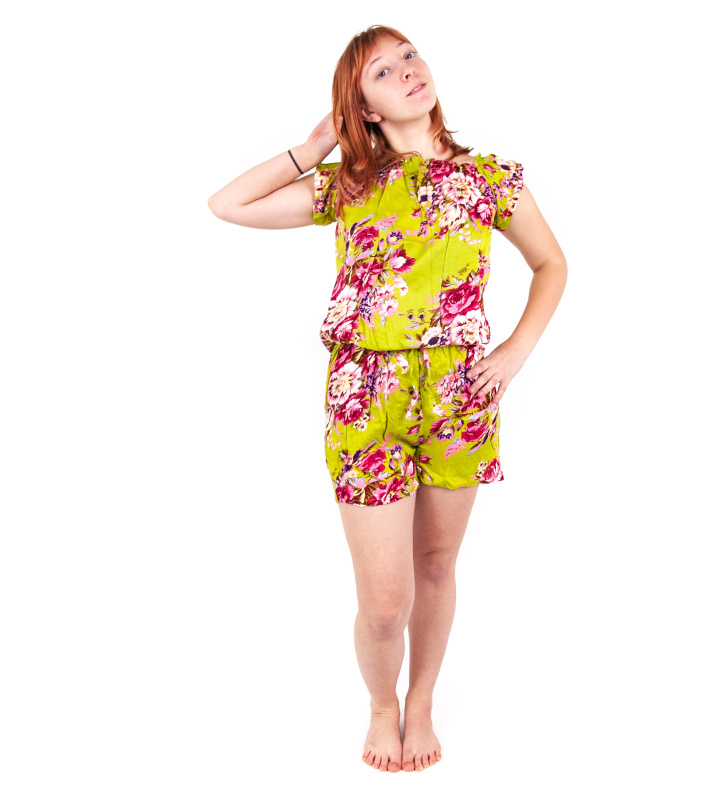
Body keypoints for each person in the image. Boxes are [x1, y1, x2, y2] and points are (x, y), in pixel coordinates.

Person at [208, 24, 567, 773]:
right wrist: (314, 146)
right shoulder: (349, 185)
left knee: (436, 565)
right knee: (382, 603)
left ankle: (422, 701)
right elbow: (228, 204)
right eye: (382, 71)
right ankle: (380, 706)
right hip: (364, 397)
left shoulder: (491, 179)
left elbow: (551, 265)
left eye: (409, 55)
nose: (407, 70)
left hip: (460, 397)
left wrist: (514, 352)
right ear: (363, 108)